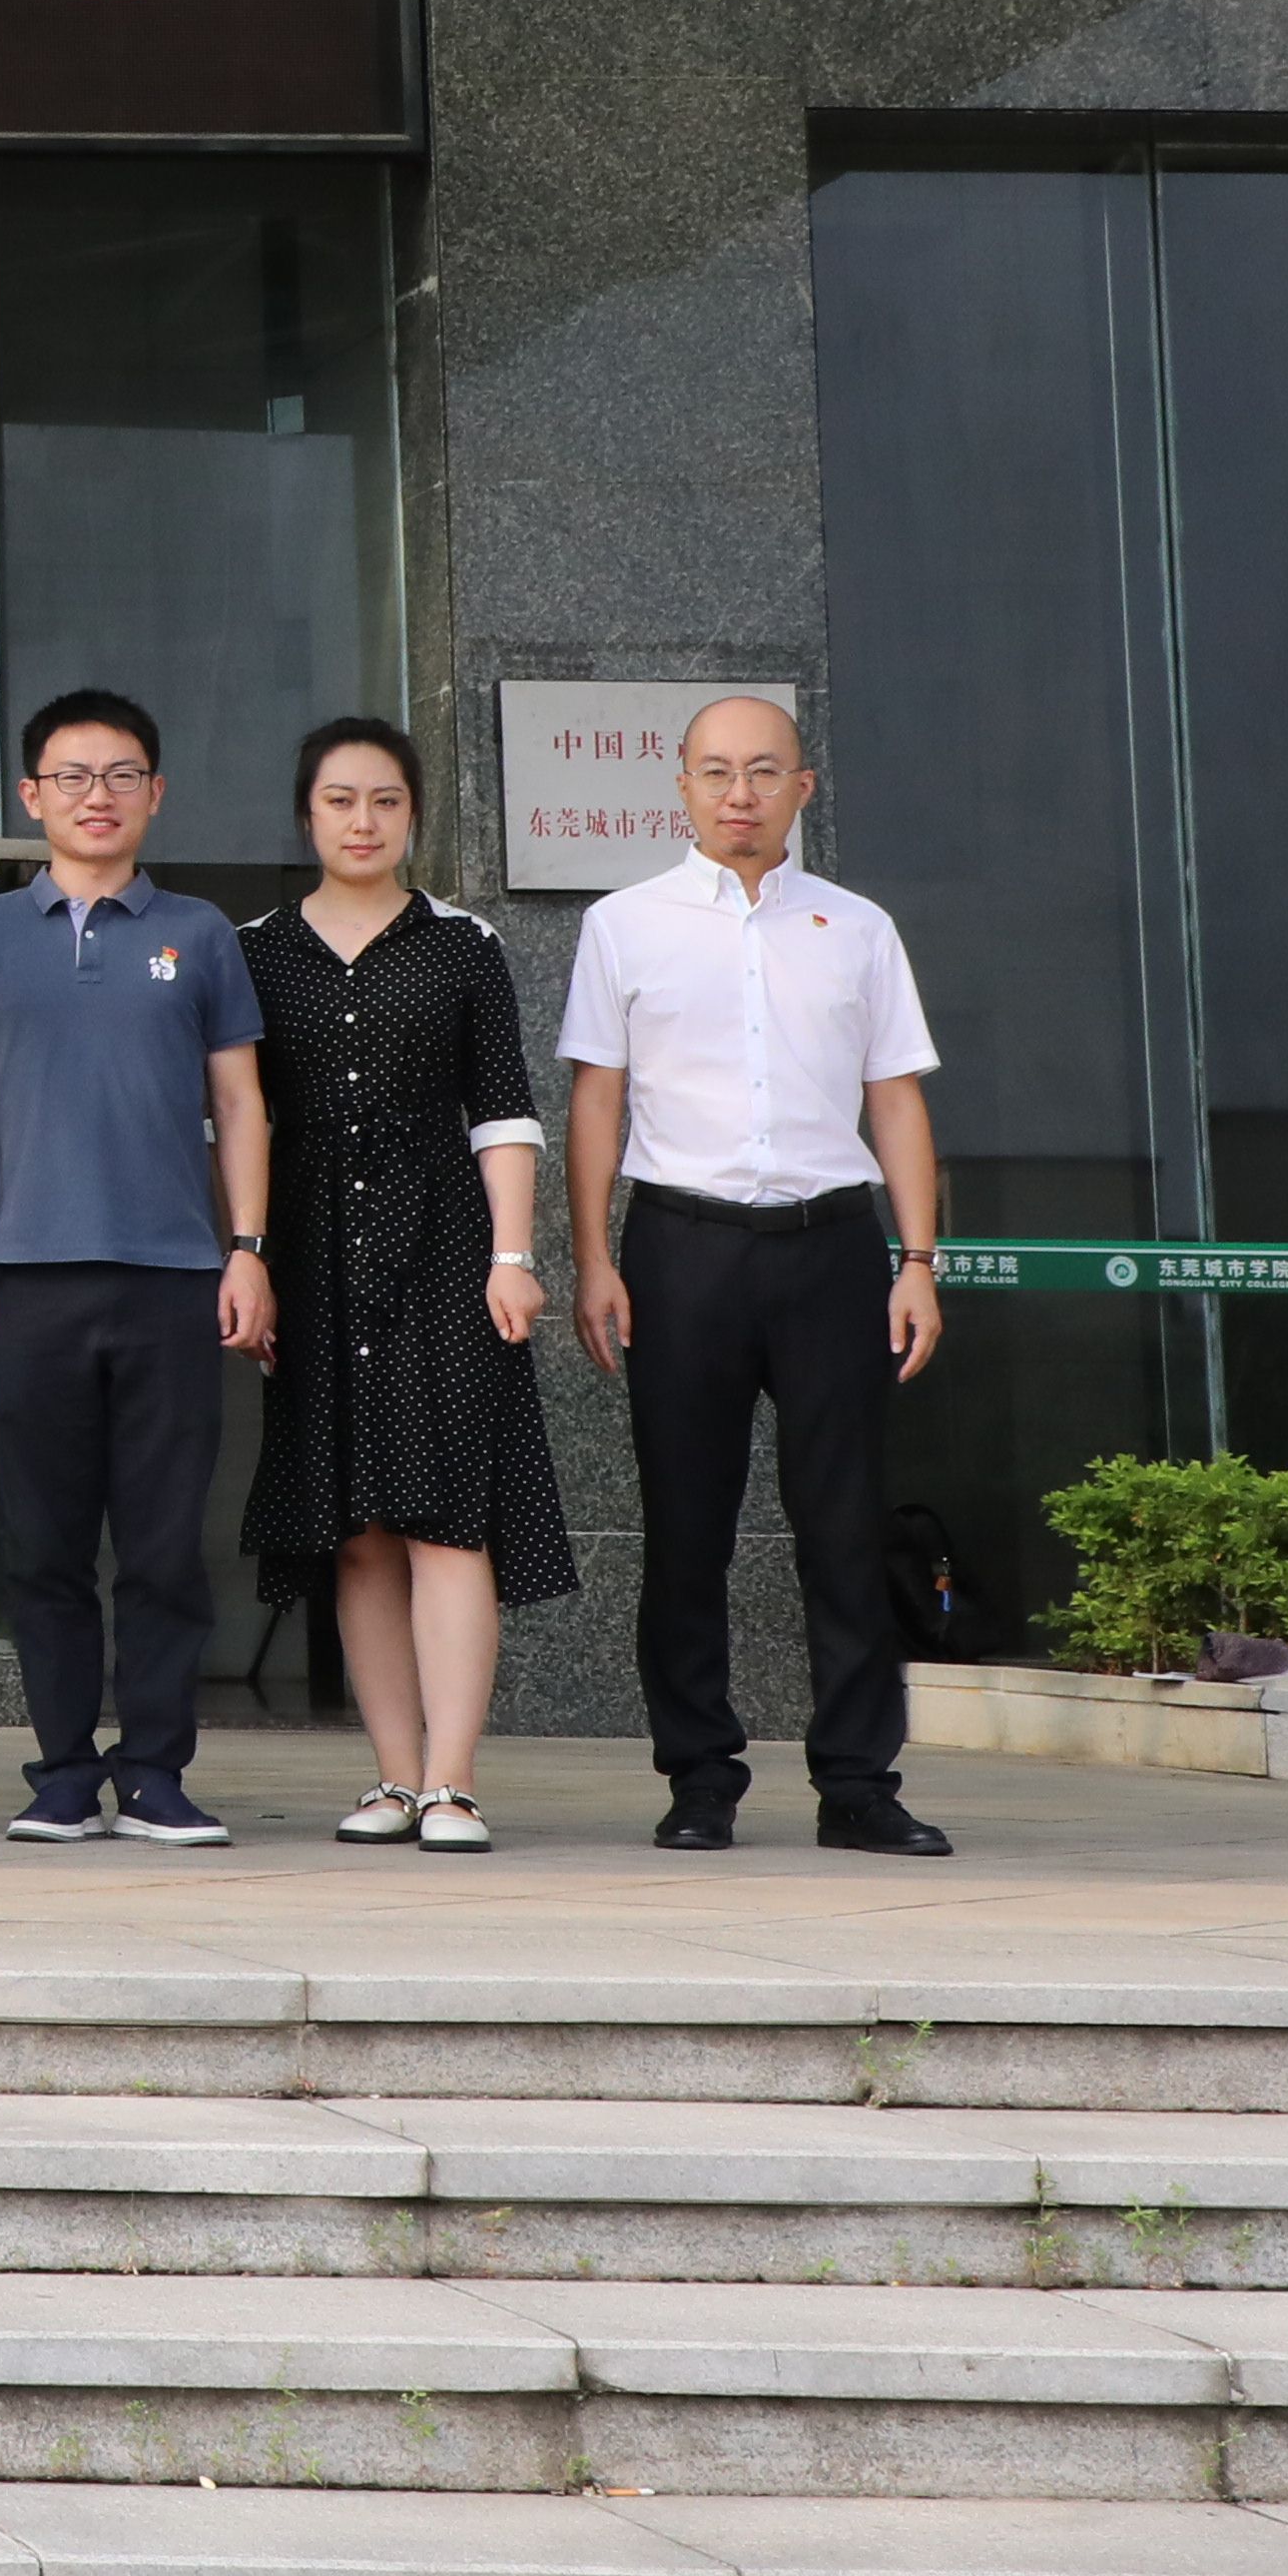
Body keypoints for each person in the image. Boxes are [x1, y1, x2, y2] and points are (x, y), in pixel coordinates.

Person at [565, 691, 954, 1860]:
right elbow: (597, 1099)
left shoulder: (859, 928)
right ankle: (699, 1777)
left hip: (832, 1247)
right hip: (680, 1247)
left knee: (844, 1525)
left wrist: (917, 1259)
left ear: (803, 786)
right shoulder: (622, 925)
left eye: (765, 770)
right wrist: (593, 1258)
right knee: (687, 1527)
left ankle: (858, 1783)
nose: (741, 793)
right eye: (718, 771)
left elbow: (896, 1097)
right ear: (681, 785)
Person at [0, 687, 275, 1850]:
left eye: (121, 775)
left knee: (166, 1547)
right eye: (72, 777)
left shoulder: (203, 932)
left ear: (155, 793)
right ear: (32, 796)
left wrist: (247, 1249)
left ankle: (158, 1771)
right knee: (47, 1546)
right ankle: (65, 1773)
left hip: (174, 1275)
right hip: (28, 1275)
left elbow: (241, 1102)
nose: (97, 796)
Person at [242, 718, 570, 1857]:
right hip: (310, 1253)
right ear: (307, 814)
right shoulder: (255, 951)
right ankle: (391, 1774)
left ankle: (453, 1782)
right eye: (341, 800)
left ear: (414, 813)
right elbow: (238, 1120)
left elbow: (504, 1108)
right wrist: (247, 1257)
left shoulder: (463, 943)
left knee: (448, 1520)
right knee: (359, 1532)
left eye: (385, 800)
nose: (364, 820)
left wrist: (513, 1257)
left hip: (443, 1246)